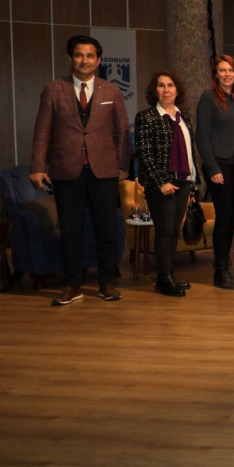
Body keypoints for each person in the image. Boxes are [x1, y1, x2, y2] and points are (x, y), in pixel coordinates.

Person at [30, 35, 130, 306]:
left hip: (104, 171)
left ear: (98, 60)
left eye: (89, 56)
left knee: (106, 230)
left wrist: (122, 166)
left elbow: (122, 130)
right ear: (70, 58)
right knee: (70, 231)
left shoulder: (111, 90)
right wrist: (38, 167)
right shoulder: (54, 89)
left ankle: (107, 282)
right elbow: (42, 131)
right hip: (66, 171)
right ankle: (72, 285)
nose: (84, 60)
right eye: (78, 55)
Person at [135, 71, 200, 297]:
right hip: (160, 183)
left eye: (170, 85)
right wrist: (161, 181)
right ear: (155, 91)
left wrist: (193, 181)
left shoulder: (184, 117)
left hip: (183, 180)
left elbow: (190, 151)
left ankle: (168, 275)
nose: (166, 90)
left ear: (177, 90)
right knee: (164, 230)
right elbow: (144, 154)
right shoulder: (146, 117)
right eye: (161, 86)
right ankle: (164, 278)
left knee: (174, 230)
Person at [196, 55, 234, 290]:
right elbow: (202, 137)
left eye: (230, 70)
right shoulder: (209, 98)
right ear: (216, 74)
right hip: (218, 167)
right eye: (222, 70)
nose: (227, 74)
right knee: (224, 217)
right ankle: (221, 272)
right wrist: (212, 168)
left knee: (231, 218)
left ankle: (223, 265)